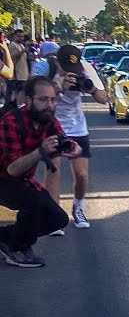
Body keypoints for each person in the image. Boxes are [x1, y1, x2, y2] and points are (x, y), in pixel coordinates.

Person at [0, 77, 76, 267]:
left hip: (21, 181)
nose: (49, 105)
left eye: (52, 100)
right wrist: (40, 151)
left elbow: (64, 140)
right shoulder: (11, 121)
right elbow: (12, 169)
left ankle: (7, 239)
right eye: (43, 100)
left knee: (58, 219)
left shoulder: (47, 120)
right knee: (34, 203)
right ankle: (16, 248)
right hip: (4, 178)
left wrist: (73, 148)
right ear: (29, 99)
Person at [45, 45, 107, 231]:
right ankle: (55, 217)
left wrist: (91, 89)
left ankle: (78, 207)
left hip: (77, 127)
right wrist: (59, 86)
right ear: (58, 61)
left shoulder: (86, 69)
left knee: (81, 175)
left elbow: (104, 98)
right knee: (53, 172)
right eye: (67, 67)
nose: (71, 72)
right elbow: (35, 96)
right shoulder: (47, 68)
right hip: (51, 125)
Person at [5, 29, 30, 103]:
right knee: (15, 94)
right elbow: (13, 57)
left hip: (23, 74)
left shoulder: (21, 45)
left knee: (21, 93)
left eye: (22, 36)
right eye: (19, 36)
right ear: (15, 36)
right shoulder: (12, 45)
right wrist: (23, 51)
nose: (21, 38)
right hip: (17, 74)